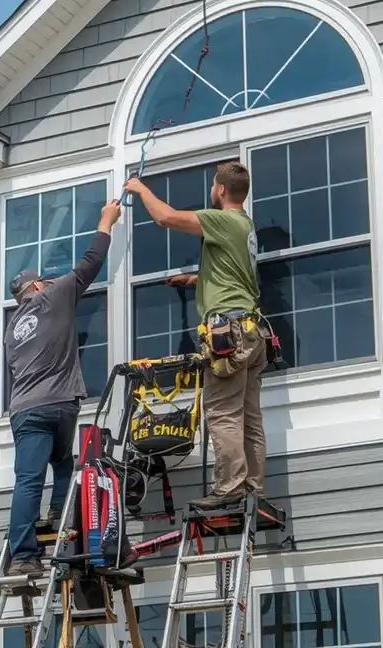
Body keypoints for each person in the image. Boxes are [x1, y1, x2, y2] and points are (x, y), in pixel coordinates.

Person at [124, 162, 266, 510]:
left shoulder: (224, 220)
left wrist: (139, 188)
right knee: (248, 416)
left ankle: (229, 485)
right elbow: (233, 277)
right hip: (251, 330)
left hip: (228, 332)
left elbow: (166, 217)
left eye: (212, 187)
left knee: (221, 411)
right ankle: (252, 487)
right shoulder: (245, 226)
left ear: (220, 191)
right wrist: (193, 280)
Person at [2, 198, 123, 576]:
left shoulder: (11, 330)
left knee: (37, 473)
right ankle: (29, 548)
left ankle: (29, 548)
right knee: (59, 465)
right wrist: (106, 219)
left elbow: (17, 370)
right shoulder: (54, 296)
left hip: (24, 409)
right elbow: (91, 262)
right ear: (37, 286)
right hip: (59, 404)